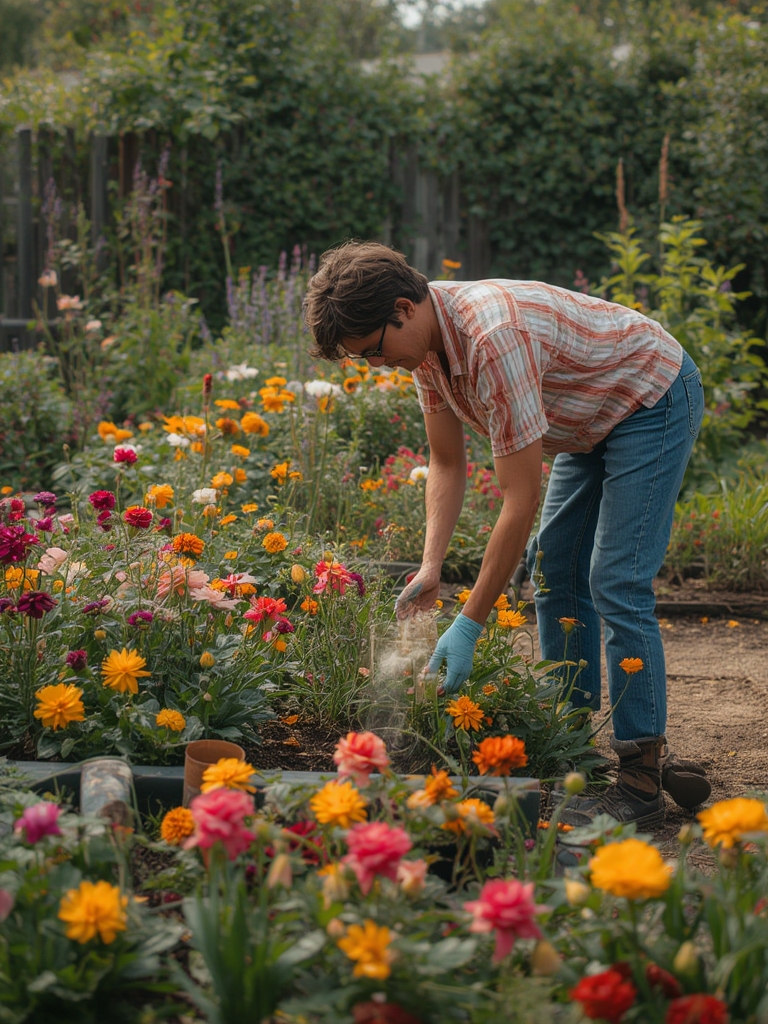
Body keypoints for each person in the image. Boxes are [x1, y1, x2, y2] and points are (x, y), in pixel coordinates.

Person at [303, 239, 711, 827]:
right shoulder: (428, 351)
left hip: (649, 397)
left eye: (372, 352)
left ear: (402, 308)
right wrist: (431, 567)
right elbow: (446, 463)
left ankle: (642, 779)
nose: (377, 365)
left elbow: (519, 503)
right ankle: (575, 749)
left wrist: (469, 623)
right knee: (556, 571)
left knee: (616, 580)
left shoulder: (493, 337)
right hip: (585, 418)